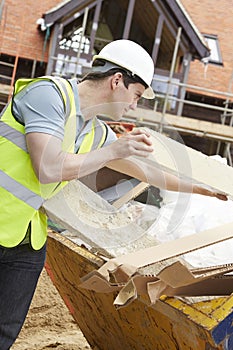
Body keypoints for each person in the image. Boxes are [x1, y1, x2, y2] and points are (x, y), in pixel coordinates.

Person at [0, 39, 227, 349]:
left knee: (4, 332)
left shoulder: (96, 132)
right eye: (135, 96)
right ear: (117, 80)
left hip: (27, 238)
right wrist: (113, 151)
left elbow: (147, 172)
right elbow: (49, 168)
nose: (133, 106)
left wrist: (204, 188)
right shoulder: (48, 95)